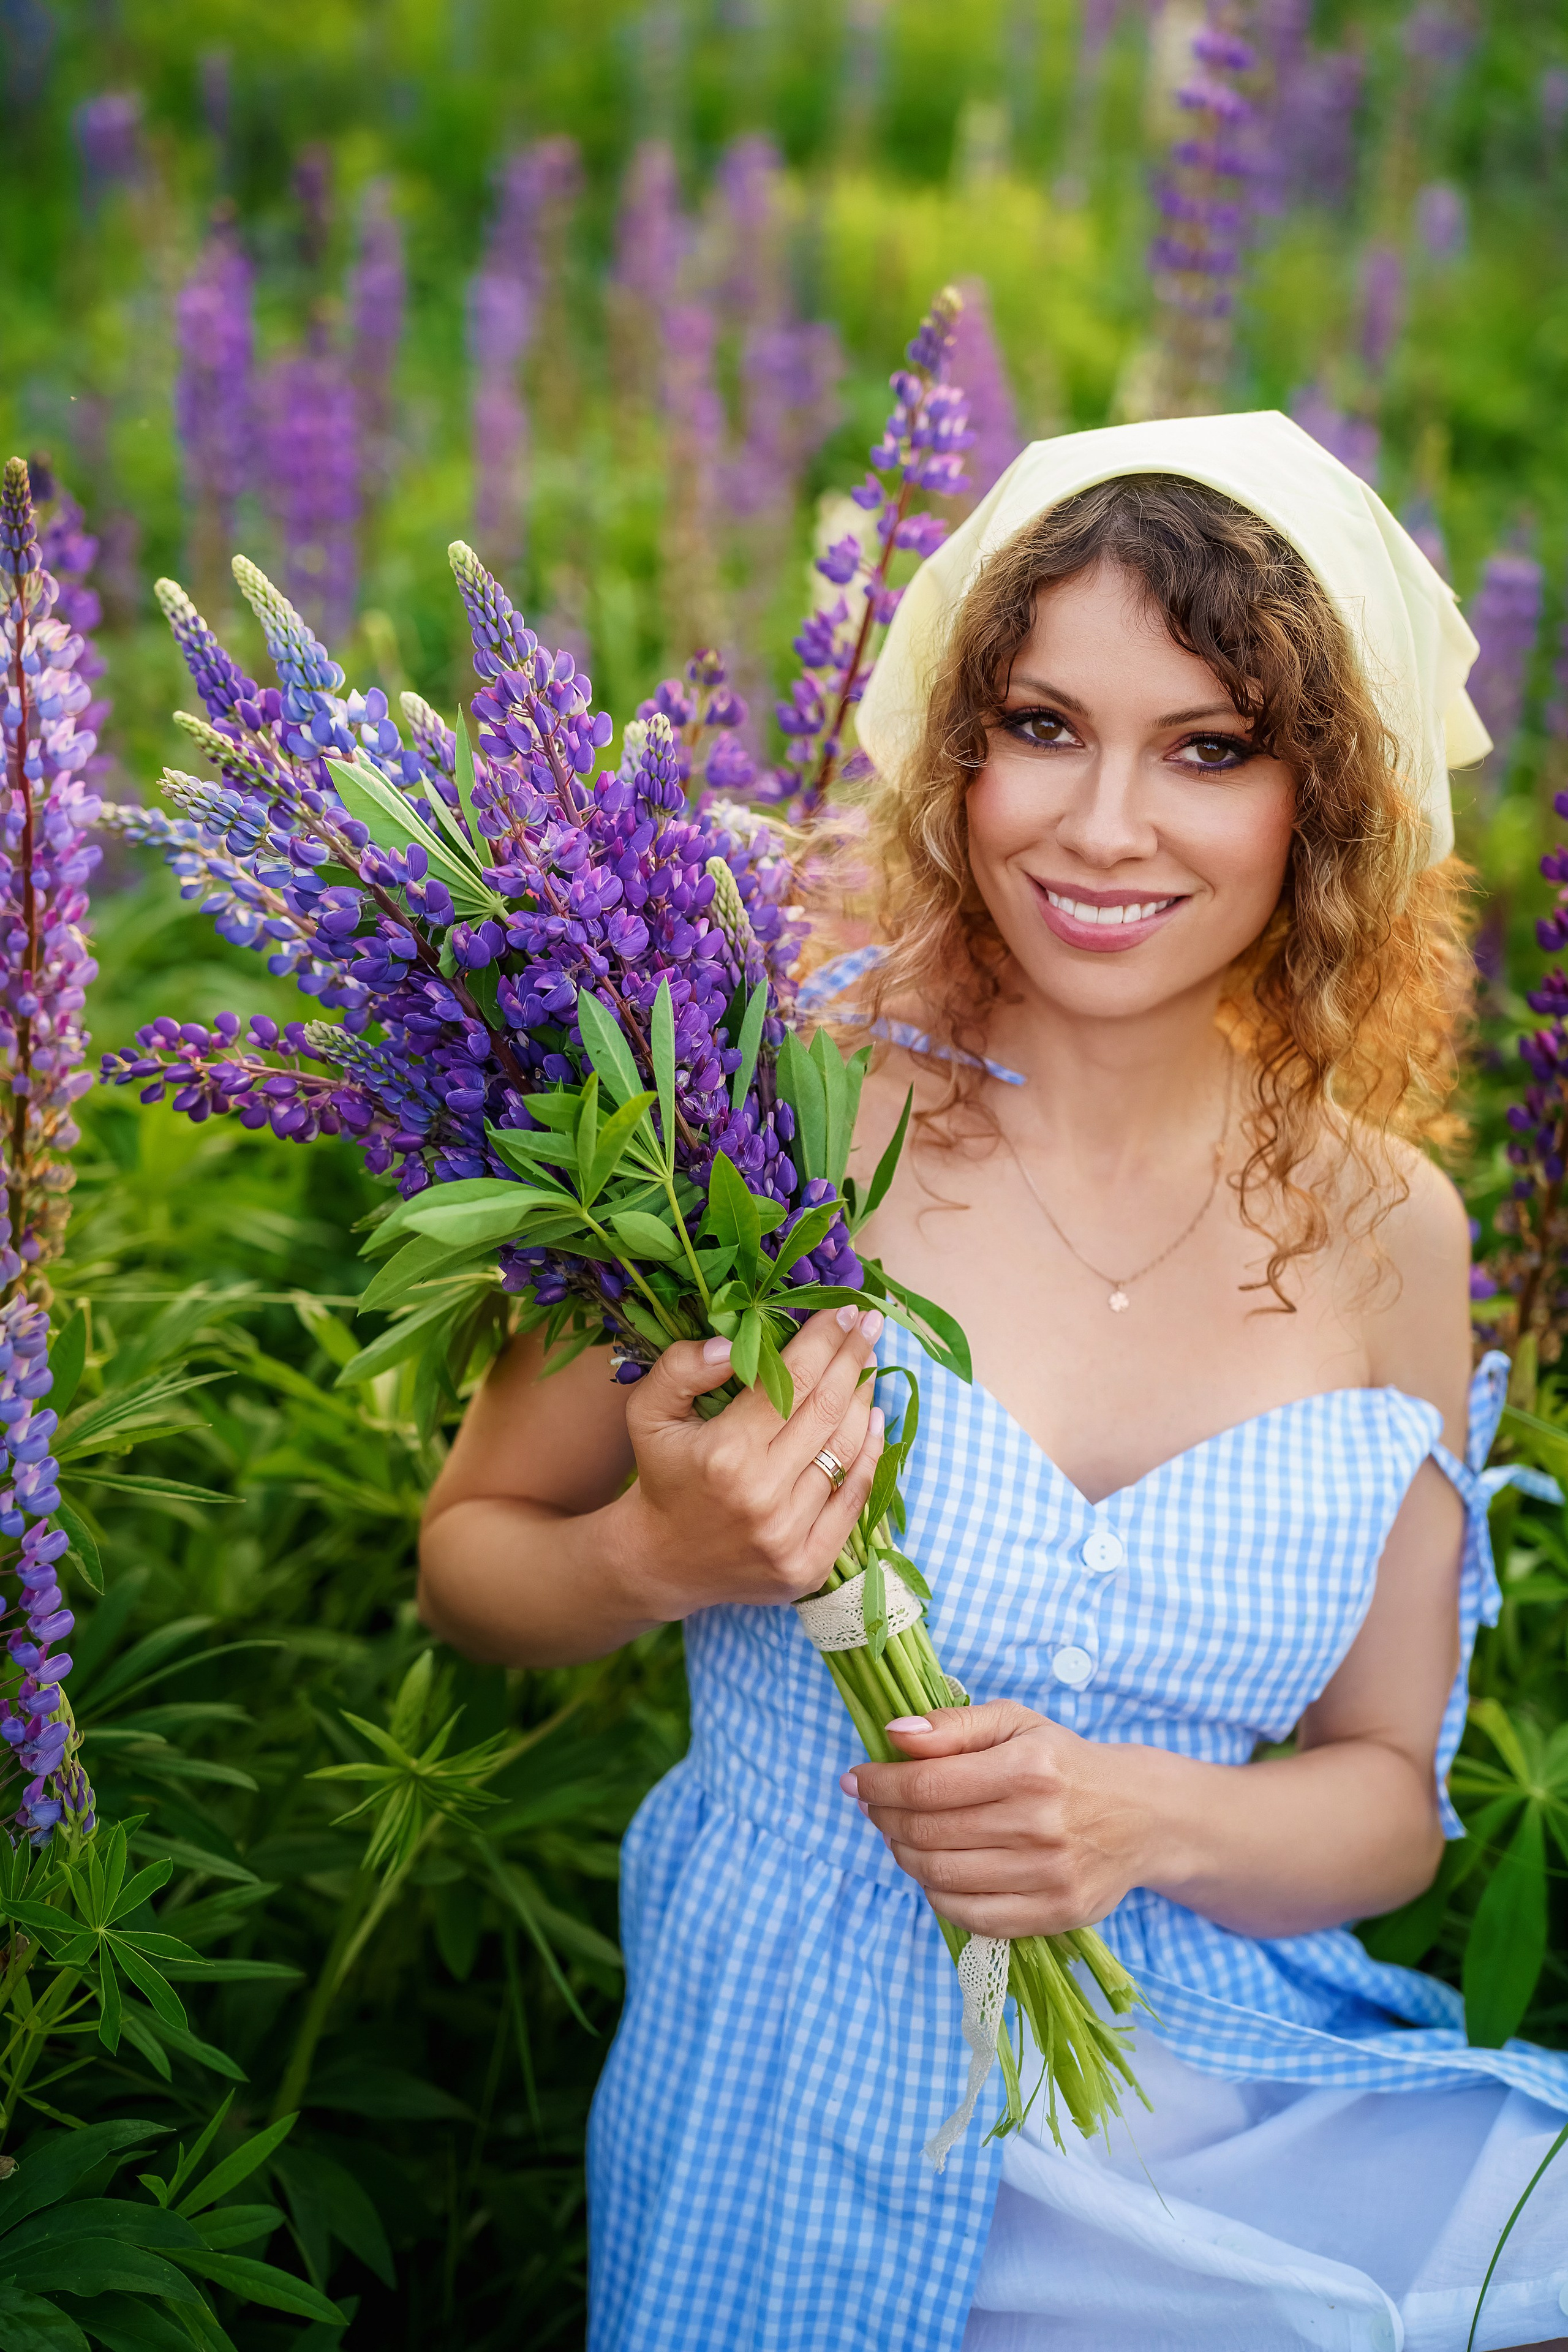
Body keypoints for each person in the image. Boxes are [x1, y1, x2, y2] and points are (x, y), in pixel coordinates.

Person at [418, 413, 1568, 2352]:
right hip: (797, 2098)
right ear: (958, 751)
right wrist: (657, 1556)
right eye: (1043, 726)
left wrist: (1152, 1823)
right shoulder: (737, 1113)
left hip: (1200, 2069)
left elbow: (1391, 1800)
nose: (1103, 826)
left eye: (1209, 750)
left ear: (1331, 802)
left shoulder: (1397, 1229)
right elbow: (471, 1555)